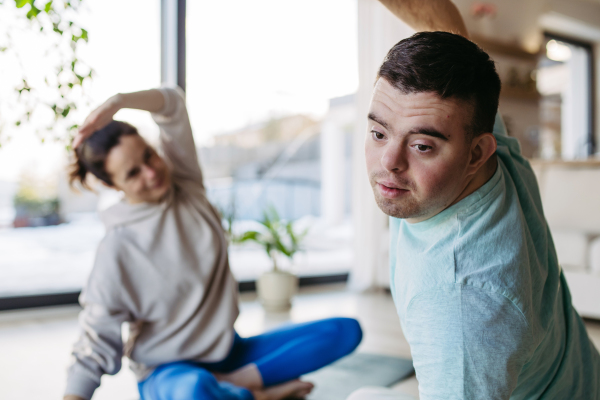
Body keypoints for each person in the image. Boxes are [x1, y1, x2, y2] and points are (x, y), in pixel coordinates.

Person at [347, 0, 600, 399]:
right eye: (379, 133)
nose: (389, 163)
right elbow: (443, 20)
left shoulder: (462, 309)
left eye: (421, 146)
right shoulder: (486, 148)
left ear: (478, 152)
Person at [63, 86, 363, 400]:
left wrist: (119, 102)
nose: (152, 172)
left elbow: (172, 105)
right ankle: (257, 395)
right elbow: (94, 341)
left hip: (231, 352)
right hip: (168, 372)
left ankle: (238, 384)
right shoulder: (117, 248)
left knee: (344, 331)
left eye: (149, 155)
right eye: (134, 172)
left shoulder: (186, 184)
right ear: (113, 185)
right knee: (195, 390)